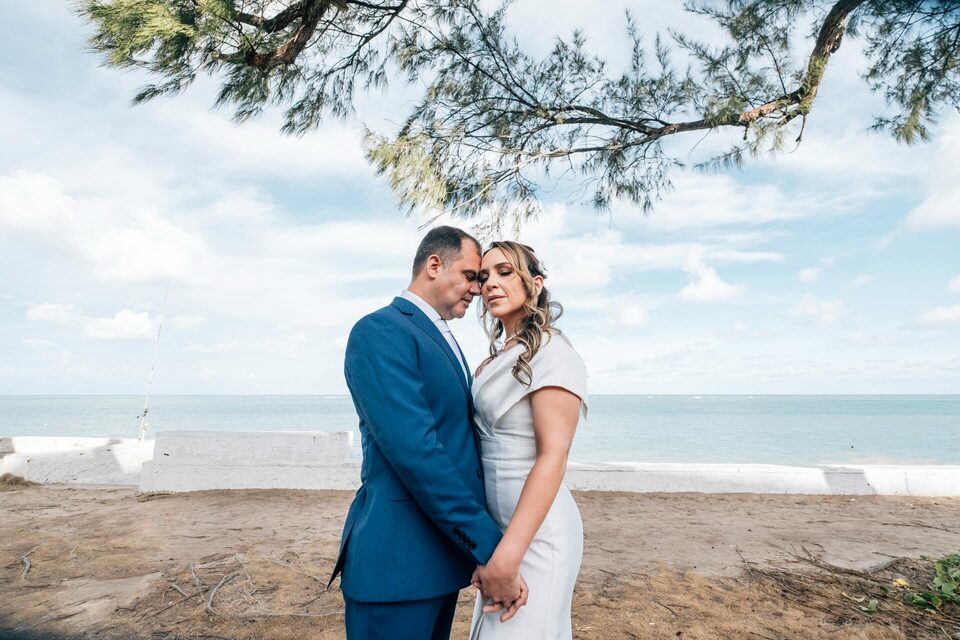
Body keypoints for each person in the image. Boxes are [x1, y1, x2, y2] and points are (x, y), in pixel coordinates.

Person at [330, 226, 528, 640]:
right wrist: (490, 546)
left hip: (434, 561)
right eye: (472, 275)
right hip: (395, 564)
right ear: (434, 265)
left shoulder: (439, 334)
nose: (479, 288)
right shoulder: (380, 331)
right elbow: (418, 453)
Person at [469, 241, 587, 639]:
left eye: (505, 272)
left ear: (535, 284)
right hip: (502, 531)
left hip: (537, 533)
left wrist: (508, 555)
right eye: (484, 276)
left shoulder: (551, 351)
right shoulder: (499, 357)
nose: (490, 284)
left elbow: (553, 456)